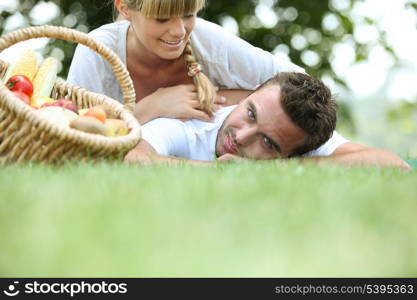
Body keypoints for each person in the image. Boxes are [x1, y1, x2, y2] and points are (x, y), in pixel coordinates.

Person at [67, 0, 303, 124]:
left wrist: (213, 98)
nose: (179, 31)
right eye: (161, 19)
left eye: (189, 15)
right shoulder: (97, 51)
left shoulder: (210, 43)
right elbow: (73, 130)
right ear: (125, 9)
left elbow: (304, 86)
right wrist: (153, 107)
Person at [124, 72, 410, 170]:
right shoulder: (193, 122)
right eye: (250, 113)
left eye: (268, 142)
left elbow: (393, 166)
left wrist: (288, 169)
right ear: (251, 94)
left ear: (291, 153)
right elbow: (131, 157)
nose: (241, 136)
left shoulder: (300, 132)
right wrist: (220, 171)